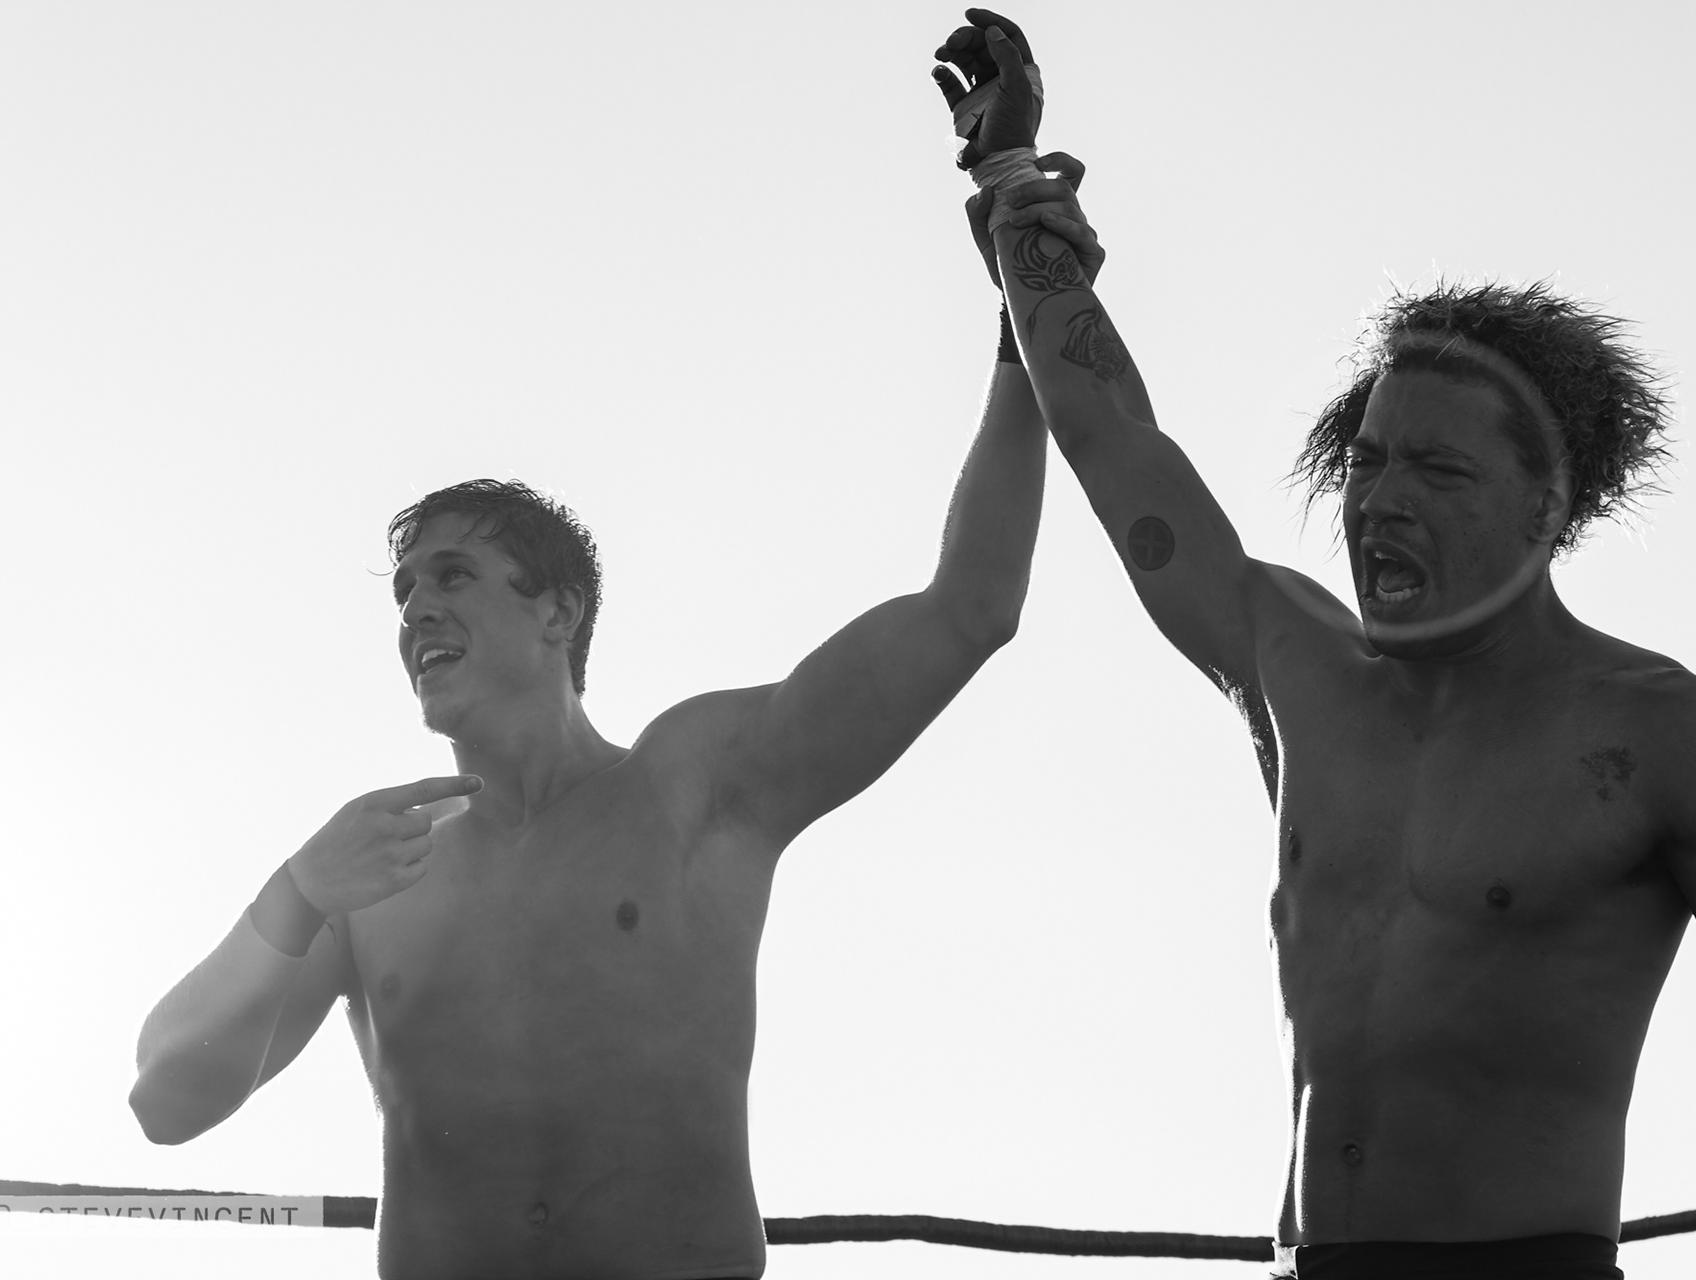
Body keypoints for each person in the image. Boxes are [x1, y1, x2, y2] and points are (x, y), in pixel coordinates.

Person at [931, 10, 1696, 1278]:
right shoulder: (1296, 667)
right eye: (1368, 460)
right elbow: (1113, 438)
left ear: (1547, 506)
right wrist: (1011, 184)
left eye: (1437, 467)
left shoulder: (1670, 735)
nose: (1381, 499)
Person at [127, 319, 1053, 1272]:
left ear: (557, 611)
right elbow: (165, 1101)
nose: (416, 610)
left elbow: (971, 607)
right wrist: (295, 892)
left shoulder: (693, 785)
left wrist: (1022, 343)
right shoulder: (373, 867)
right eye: (403, 593)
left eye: (452, 576)